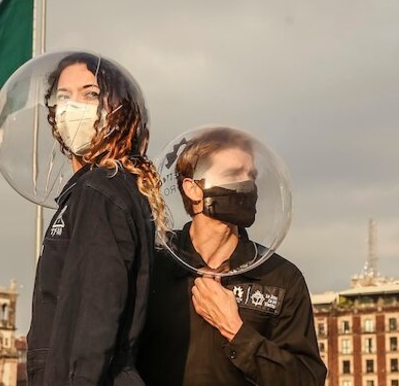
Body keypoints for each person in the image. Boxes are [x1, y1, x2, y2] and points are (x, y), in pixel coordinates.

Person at [137, 127, 326, 386]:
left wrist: (235, 330)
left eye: (251, 175)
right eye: (233, 174)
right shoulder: (153, 263)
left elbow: (307, 379)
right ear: (193, 189)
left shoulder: (279, 277)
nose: (247, 184)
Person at [25, 52, 165, 386]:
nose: (74, 108)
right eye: (64, 97)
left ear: (118, 109)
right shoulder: (109, 186)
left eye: (90, 94)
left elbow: (92, 319)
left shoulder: (100, 191)